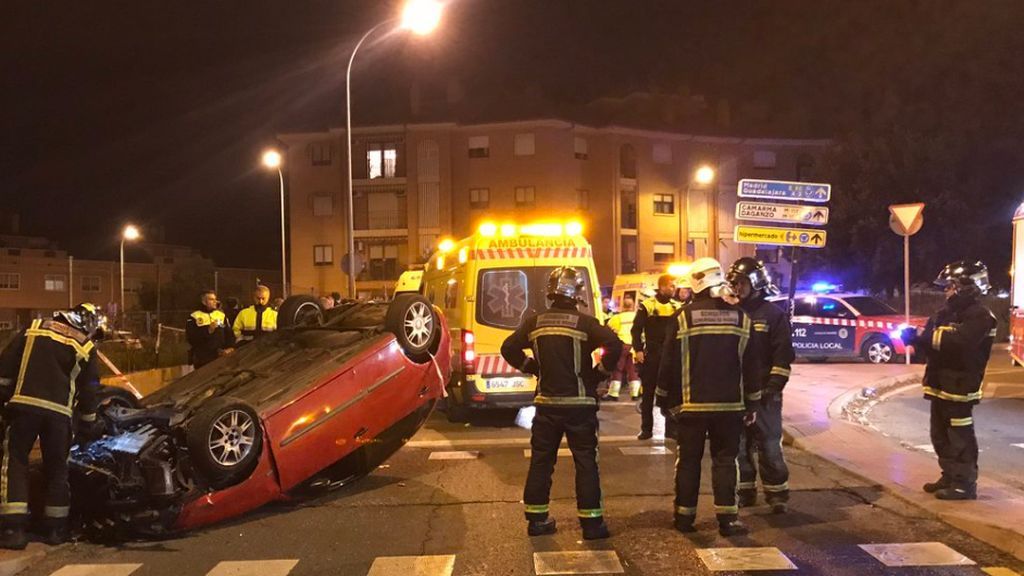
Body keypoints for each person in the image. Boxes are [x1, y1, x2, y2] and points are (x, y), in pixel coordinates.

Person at [501, 267, 622, 540]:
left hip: (547, 405)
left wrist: (532, 367)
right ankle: (592, 525)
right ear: (577, 294)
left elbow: (508, 348)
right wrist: (599, 373)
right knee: (586, 462)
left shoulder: (534, 323)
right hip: (579, 405)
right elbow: (615, 344)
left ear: (551, 292)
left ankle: (537, 520)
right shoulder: (586, 323)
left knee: (542, 462)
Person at [656, 258, 763, 536]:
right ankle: (728, 519)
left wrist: (664, 400)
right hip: (730, 407)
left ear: (694, 284)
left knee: (689, 461)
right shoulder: (741, 317)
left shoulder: (683, 317)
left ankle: (684, 518)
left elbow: (668, 362)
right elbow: (752, 365)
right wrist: (752, 403)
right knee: (726, 461)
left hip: (691, 407)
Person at [0, 303, 106, 548]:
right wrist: (89, 424)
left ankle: (13, 530)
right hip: (59, 415)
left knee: (15, 462)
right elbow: (90, 391)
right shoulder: (85, 346)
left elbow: (5, 368)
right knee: (58, 469)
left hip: (24, 408)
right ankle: (56, 530)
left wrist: (3, 400)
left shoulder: (34, 328)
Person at [904, 260, 996, 500]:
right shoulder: (945, 313)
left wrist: (924, 338)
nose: (946, 291)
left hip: (960, 386)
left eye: (950, 286)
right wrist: (914, 340)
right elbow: (930, 340)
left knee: (960, 436)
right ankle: (949, 475)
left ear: (967, 286)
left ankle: (964, 484)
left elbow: (958, 343)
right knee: (940, 434)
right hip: (940, 384)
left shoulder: (981, 316)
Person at [727, 257, 795, 513]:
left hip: (766, 394)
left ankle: (777, 494)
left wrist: (774, 386)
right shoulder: (730, 313)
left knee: (768, 443)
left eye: (742, 282)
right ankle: (745, 490)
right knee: (740, 445)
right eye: (734, 283)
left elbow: (783, 355)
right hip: (736, 393)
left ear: (755, 283)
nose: (737, 288)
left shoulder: (772, 316)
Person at [631, 274, 683, 439]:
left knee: (672, 392)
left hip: (670, 355)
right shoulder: (647, 305)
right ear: (661, 287)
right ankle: (646, 429)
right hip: (652, 355)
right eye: (671, 286)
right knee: (648, 394)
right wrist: (638, 350)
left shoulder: (677, 307)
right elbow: (636, 330)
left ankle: (671, 429)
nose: (673, 289)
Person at [604, 296, 641, 401]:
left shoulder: (617, 318)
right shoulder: (637, 317)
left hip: (622, 345)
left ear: (622, 306)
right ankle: (635, 393)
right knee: (633, 370)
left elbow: (609, 330)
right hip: (634, 346)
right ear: (633, 306)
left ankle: (613, 393)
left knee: (618, 369)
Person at [186, 290, 234, 369]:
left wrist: (230, 347)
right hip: (202, 358)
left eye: (215, 299)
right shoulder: (194, 317)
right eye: (211, 299)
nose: (215, 301)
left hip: (220, 356)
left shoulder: (221, 315)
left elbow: (229, 334)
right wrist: (208, 331)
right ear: (204, 302)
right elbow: (191, 338)